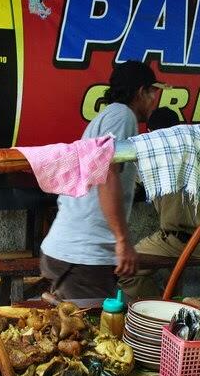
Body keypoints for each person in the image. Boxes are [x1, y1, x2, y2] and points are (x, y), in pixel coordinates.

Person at [39, 61, 166, 300]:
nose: (154, 101)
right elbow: (107, 174)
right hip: (83, 256)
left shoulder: (109, 117)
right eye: (153, 93)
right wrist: (123, 240)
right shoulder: (122, 116)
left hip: (74, 253)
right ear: (141, 92)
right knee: (94, 333)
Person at [118, 107, 200, 298]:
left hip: (184, 244)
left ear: (150, 133)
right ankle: (172, 302)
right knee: (174, 263)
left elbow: (126, 182)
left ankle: (160, 310)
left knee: (125, 269)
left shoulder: (156, 151)